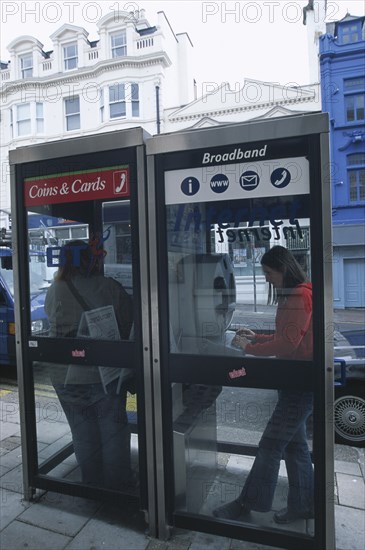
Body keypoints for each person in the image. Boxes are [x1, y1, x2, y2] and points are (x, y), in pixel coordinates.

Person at [213, 246, 314, 524]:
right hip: (295, 381)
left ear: (283, 269)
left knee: (270, 445)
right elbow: (286, 334)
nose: (267, 278)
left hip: (299, 384)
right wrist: (255, 336)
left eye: (269, 273)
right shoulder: (295, 294)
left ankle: (248, 503)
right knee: (295, 447)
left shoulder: (299, 295)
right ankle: (304, 505)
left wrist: (249, 348)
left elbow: (287, 342)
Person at [45, 239, 134, 491]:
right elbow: (128, 325)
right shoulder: (108, 287)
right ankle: (118, 483)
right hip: (102, 374)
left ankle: (91, 481)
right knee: (113, 430)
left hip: (63, 375)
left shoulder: (56, 288)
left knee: (82, 432)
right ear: (90, 259)